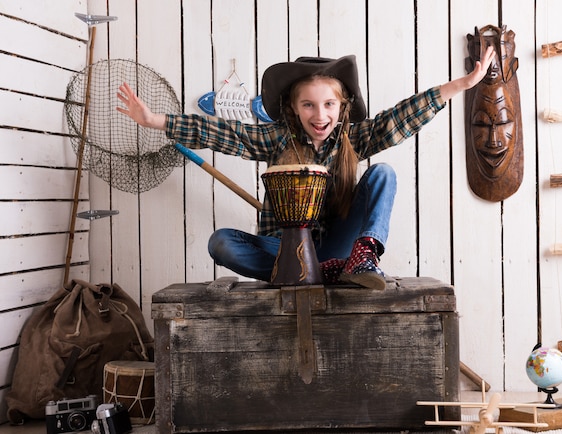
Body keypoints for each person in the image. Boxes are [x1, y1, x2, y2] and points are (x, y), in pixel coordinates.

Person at [116, 46, 495, 290]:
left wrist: (459, 85)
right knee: (221, 243)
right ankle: (313, 275)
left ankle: (359, 258)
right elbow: (221, 132)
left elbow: (397, 120)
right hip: (287, 252)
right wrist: (157, 121)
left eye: (329, 104)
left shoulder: (353, 139)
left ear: (342, 107)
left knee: (384, 175)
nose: (320, 114)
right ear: (293, 109)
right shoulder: (276, 139)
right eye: (309, 105)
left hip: (337, 246)